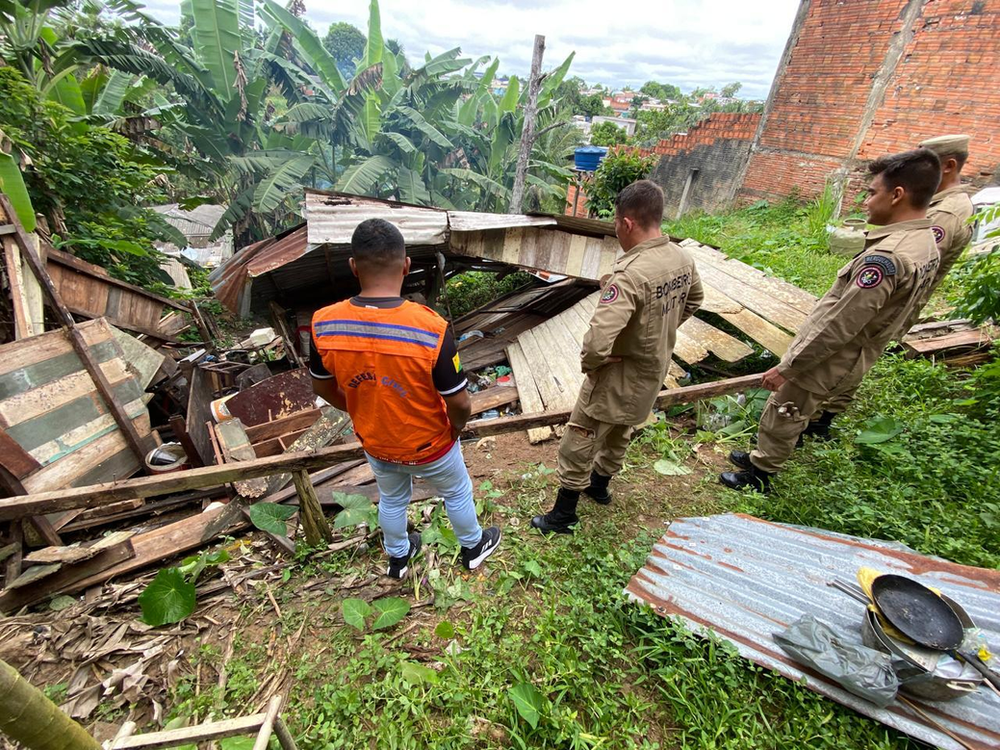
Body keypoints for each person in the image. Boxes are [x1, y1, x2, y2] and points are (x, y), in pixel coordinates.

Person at [720, 148, 942, 492]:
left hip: (832, 355)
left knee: (785, 409)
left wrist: (790, 366)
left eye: (872, 192)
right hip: (861, 349)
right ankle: (762, 458)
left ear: (898, 195)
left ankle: (761, 473)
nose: (865, 202)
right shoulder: (925, 241)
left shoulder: (887, 257)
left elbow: (840, 324)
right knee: (797, 408)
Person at [309, 218, 501, 578]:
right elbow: (459, 403)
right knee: (457, 491)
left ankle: (398, 557)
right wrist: (455, 430)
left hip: (376, 443)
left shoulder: (324, 324)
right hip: (431, 443)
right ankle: (473, 547)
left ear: (354, 266)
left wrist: (360, 409)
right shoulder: (431, 328)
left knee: (393, 498)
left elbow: (322, 387)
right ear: (406, 266)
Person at [532, 180, 704, 534]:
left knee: (580, 437)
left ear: (627, 223)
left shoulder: (629, 275)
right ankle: (600, 487)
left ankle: (563, 515)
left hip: (617, 375)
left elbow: (597, 343)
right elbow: (695, 299)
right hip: (652, 371)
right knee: (621, 430)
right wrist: (658, 330)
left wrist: (592, 364)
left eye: (615, 224)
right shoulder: (681, 258)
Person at [808, 136, 975, 432]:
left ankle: (819, 416)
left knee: (853, 351)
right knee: (859, 350)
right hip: (896, 295)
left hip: (894, 297)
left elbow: (910, 262)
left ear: (948, 166)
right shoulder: (943, 207)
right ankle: (824, 413)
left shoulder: (945, 214)